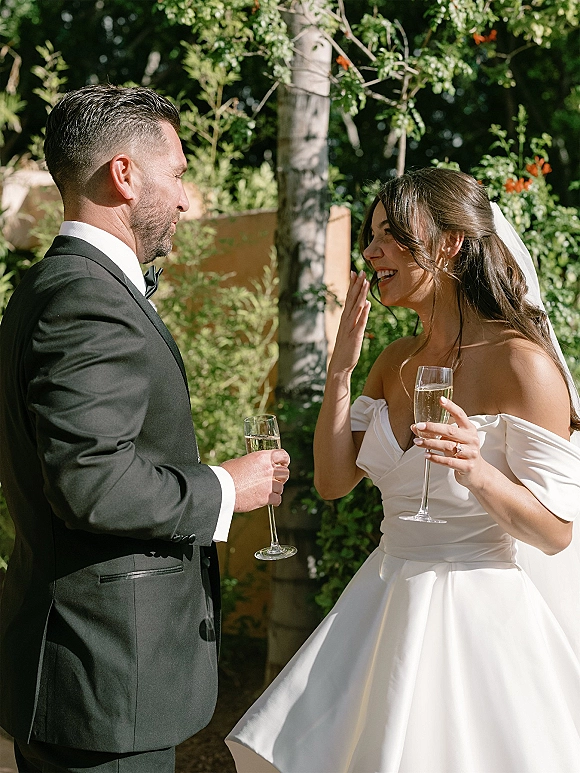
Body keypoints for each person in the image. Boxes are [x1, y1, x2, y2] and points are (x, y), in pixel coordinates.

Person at [226, 168, 580, 772]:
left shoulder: (523, 365)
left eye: (390, 234)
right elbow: (334, 482)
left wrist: (477, 471)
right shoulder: (394, 361)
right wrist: (339, 371)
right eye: (369, 235)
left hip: (480, 620)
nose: (370, 251)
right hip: (385, 603)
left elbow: (555, 532)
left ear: (450, 244)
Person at [0, 85, 290, 773]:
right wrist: (224, 487)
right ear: (125, 176)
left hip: (84, 671)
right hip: (104, 682)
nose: (187, 199)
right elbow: (92, 481)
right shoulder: (87, 298)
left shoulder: (49, 286)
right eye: (180, 173)